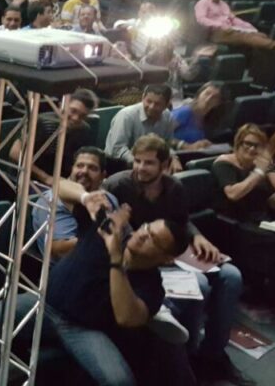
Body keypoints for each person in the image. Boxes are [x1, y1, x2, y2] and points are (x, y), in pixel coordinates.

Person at [0, 183, 192, 385]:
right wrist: (86, 198)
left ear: (166, 258)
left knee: (119, 381)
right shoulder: (110, 229)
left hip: (83, 329)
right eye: (147, 227)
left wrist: (115, 257)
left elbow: (126, 317)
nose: (142, 234)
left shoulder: (152, 285)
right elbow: (58, 186)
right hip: (44, 304)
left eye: (153, 238)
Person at [97, 134, 247, 385]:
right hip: (143, 256)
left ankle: (212, 354)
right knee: (200, 285)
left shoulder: (174, 187)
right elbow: (107, 231)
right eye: (137, 161)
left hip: (173, 249)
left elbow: (182, 221)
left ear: (164, 166)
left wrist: (197, 237)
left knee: (232, 276)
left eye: (148, 163)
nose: (140, 168)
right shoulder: (116, 185)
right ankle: (185, 357)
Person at [213, 124, 275, 325]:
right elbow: (233, 194)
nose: (251, 149)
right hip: (237, 226)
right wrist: (258, 173)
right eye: (248, 144)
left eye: (257, 146)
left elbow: (272, 203)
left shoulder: (260, 169)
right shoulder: (224, 164)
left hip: (265, 223)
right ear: (238, 144)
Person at [30, 146, 112, 259]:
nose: (84, 171)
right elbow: (59, 251)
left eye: (92, 168)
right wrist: (104, 237)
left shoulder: (108, 198)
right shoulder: (51, 201)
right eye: (79, 166)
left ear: (103, 176)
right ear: (72, 169)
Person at [8, 89, 98, 186]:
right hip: (28, 179)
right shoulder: (41, 121)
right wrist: (46, 178)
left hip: (63, 181)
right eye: (73, 111)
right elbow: (15, 153)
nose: (76, 118)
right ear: (61, 105)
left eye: (82, 116)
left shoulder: (84, 129)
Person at [105, 84, 183, 172]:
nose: (151, 107)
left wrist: (174, 158)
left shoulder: (167, 116)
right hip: (120, 165)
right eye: (148, 101)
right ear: (143, 98)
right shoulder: (126, 116)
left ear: (166, 104)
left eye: (157, 104)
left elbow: (167, 145)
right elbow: (117, 149)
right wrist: (141, 163)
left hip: (152, 164)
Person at [195, 0, 275, 53]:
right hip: (215, 32)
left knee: (261, 35)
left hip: (230, 29)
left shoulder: (223, 4)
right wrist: (220, 25)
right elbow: (201, 19)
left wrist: (249, 27)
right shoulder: (203, 3)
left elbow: (233, 19)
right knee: (245, 36)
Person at [170, 81, 224, 149]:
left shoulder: (208, 118)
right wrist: (185, 146)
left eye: (214, 97)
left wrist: (203, 143)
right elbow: (160, 135)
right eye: (207, 94)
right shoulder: (184, 112)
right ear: (199, 94)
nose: (208, 99)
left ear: (218, 103)